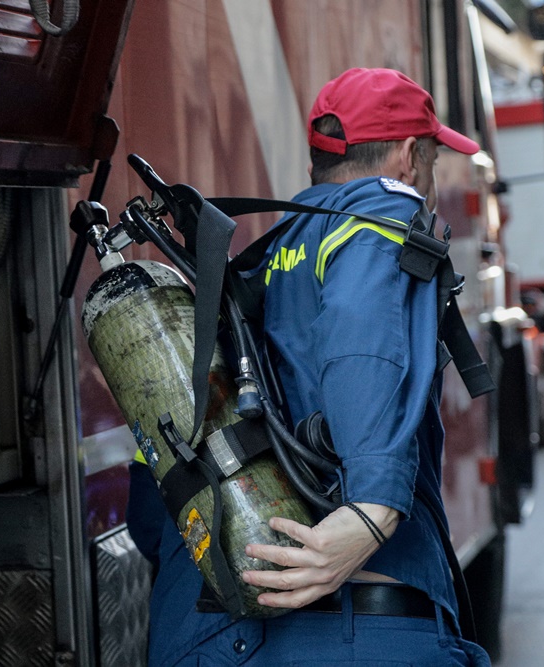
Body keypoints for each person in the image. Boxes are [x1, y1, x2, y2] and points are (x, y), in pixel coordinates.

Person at [126, 67, 492, 666]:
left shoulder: (258, 261)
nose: (425, 182)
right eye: (428, 163)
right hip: (347, 637)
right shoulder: (380, 220)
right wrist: (372, 510)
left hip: (202, 639)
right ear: (408, 158)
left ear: (313, 171)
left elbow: (149, 514)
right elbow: (360, 329)